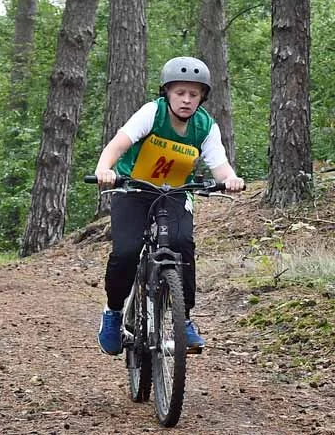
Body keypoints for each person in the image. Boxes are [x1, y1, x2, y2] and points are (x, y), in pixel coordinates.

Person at [93, 57, 245, 355]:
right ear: (167, 92)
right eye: (180, 93)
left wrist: (232, 180)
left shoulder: (205, 126)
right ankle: (113, 314)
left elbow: (220, 166)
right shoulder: (152, 113)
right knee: (125, 252)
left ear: (202, 97)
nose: (186, 100)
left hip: (174, 192)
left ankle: (183, 318)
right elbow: (117, 145)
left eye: (194, 94)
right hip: (133, 188)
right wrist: (105, 169)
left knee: (181, 244)